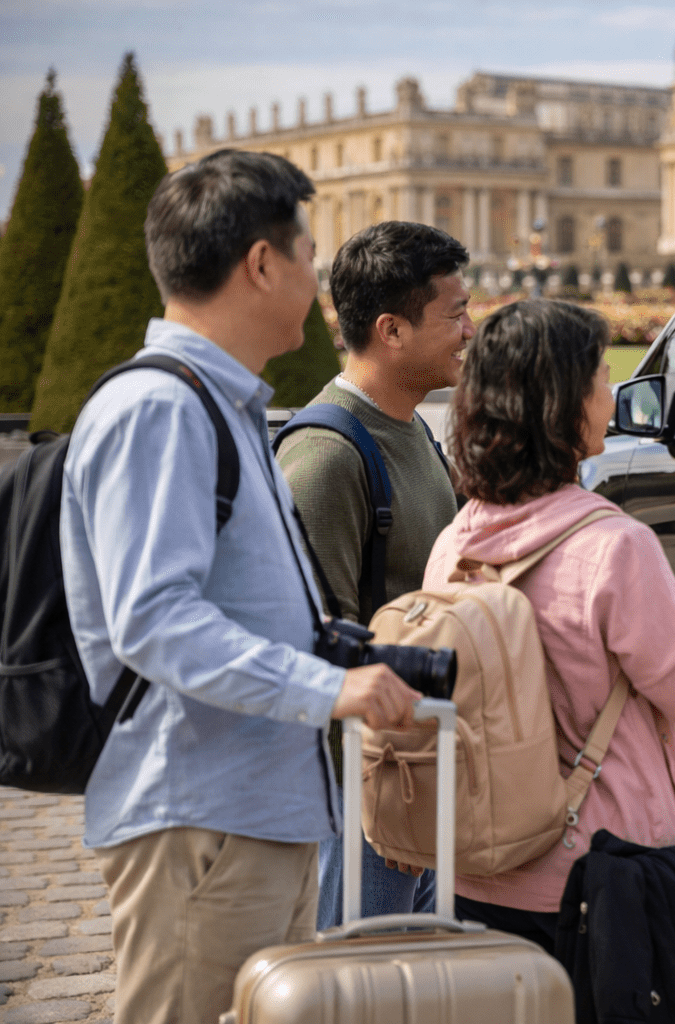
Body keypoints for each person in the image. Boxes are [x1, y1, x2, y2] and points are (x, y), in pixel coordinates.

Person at [60, 149, 420, 1024]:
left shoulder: (217, 406)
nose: (317, 280)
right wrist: (327, 688)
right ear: (262, 263)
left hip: (254, 813)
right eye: (308, 256)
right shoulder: (161, 410)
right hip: (203, 818)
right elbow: (154, 620)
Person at [420, 298, 675, 952]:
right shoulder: (613, 547)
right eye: (600, 380)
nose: (611, 396)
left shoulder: (454, 544)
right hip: (599, 875)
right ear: (562, 405)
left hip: (479, 871)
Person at [276, 220, 472, 929]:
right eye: (455, 314)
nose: (470, 331)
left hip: (413, 773)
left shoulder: (411, 427)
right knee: (358, 973)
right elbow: (312, 646)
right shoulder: (326, 457)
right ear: (392, 330)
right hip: (360, 795)